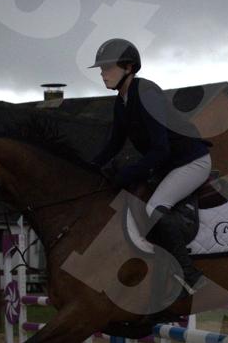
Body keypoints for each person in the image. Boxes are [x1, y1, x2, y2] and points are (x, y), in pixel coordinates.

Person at [87, 38, 211, 290]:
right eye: (101, 69)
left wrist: (127, 173)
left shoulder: (146, 94)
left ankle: (190, 274)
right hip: (169, 166)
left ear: (128, 67)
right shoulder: (122, 102)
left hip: (191, 162)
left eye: (108, 67)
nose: (102, 73)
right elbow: (114, 145)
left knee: (155, 207)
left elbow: (161, 149)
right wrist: (88, 168)